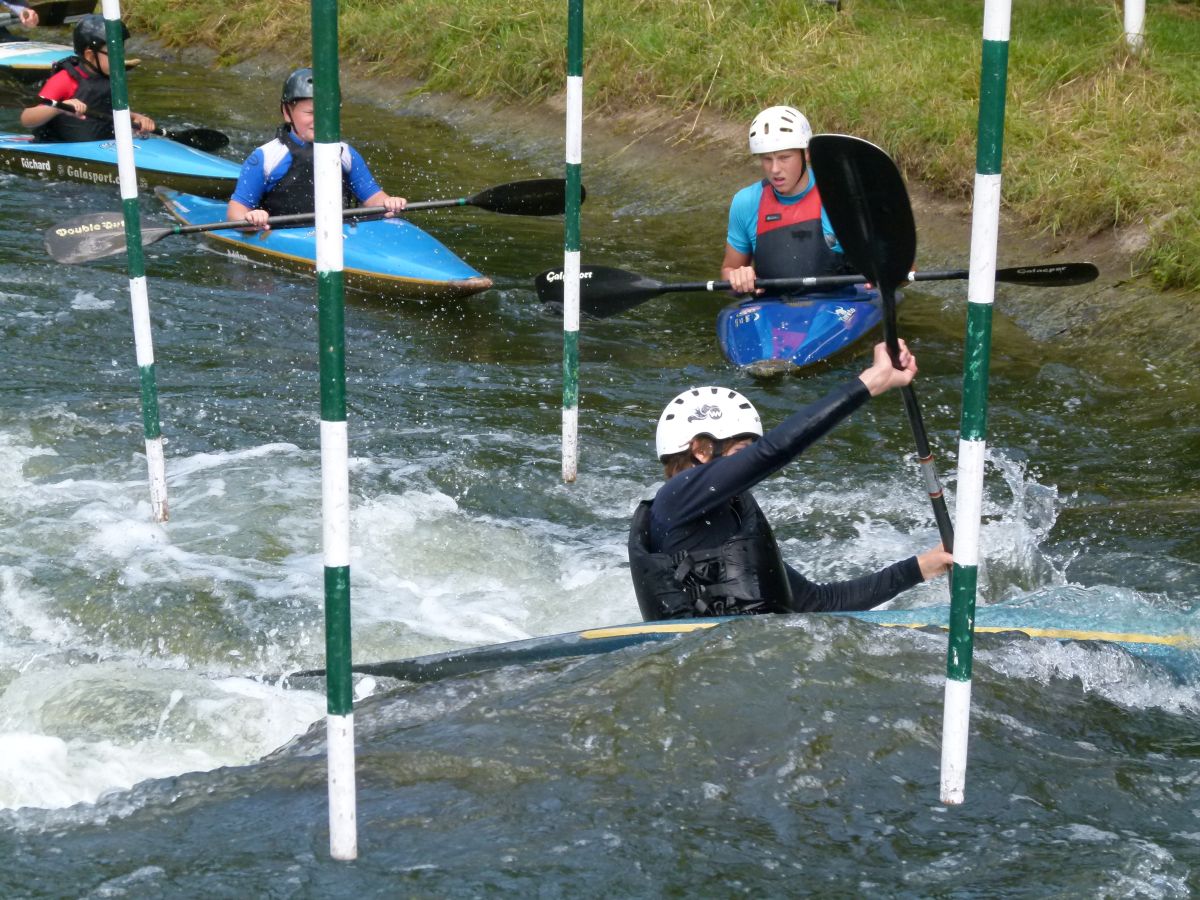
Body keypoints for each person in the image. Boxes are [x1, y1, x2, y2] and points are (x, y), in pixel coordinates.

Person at [628, 340, 952, 621]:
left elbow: (820, 603)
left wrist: (922, 567)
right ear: (700, 450)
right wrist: (870, 382)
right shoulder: (677, 496)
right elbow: (773, 451)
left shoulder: (729, 516)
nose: (747, 465)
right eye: (741, 452)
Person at [226, 67, 406, 229]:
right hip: (280, 235)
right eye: (310, 113)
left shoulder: (345, 154)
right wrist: (252, 219)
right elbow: (236, 213)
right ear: (287, 112)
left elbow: (373, 198)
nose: (320, 120)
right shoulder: (266, 157)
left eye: (327, 111)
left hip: (336, 236)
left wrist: (389, 203)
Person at [720, 104, 848, 295]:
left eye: (784, 157)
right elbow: (728, 271)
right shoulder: (746, 202)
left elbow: (886, 261)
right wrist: (738, 277)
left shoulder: (840, 195)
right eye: (767, 159)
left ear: (806, 153)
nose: (775, 169)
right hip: (773, 305)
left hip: (840, 302)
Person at [18, 14, 156, 142]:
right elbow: (26, 118)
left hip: (100, 145)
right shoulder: (65, 80)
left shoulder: (111, 78)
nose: (120, 59)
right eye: (114, 53)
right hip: (62, 147)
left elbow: (104, 111)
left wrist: (135, 117)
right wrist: (59, 108)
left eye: (121, 52)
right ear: (90, 55)